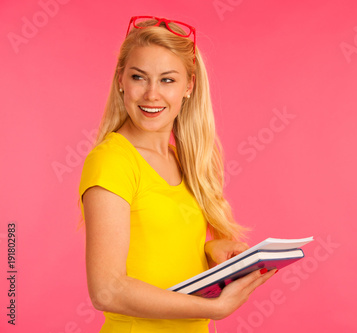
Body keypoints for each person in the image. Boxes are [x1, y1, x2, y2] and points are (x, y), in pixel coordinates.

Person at [79, 16, 277, 333]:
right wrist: (213, 308)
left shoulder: (184, 160)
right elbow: (107, 290)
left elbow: (157, 245)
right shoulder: (112, 161)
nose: (152, 94)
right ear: (121, 81)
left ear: (189, 86)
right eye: (139, 77)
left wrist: (208, 250)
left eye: (167, 80)